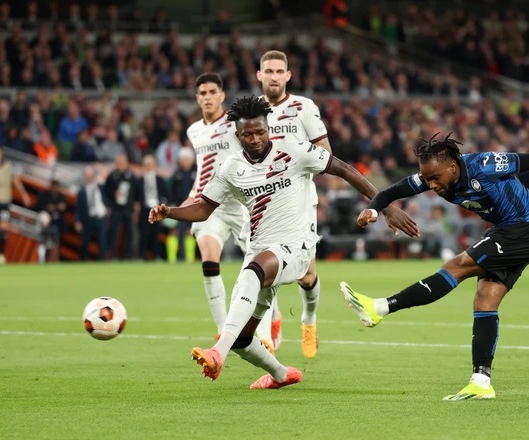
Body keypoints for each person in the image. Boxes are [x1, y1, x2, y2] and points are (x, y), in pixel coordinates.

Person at [148, 96, 418, 388]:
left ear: (268, 127)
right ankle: (280, 374)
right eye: (247, 134)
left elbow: (345, 169)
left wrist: (385, 205)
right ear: (237, 135)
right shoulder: (230, 169)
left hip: (297, 247)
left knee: (253, 272)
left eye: (260, 131)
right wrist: (171, 212)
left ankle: (217, 352)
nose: (255, 138)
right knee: (242, 337)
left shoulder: (293, 149)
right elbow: (203, 208)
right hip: (261, 250)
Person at [340, 133, 529, 400]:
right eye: (427, 179)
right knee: (485, 298)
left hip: (525, 228)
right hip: (508, 230)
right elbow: (392, 191)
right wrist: (374, 210)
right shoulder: (434, 176)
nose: (431, 185)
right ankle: (481, 382)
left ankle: (379, 308)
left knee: (457, 265)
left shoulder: (485, 165)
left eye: (435, 178)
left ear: (453, 167)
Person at [257, 49, 331, 358]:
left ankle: (309, 319)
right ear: (259, 75)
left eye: (279, 71)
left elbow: (325, 152)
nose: (274, 76)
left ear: (288, 76)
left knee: (307, 275)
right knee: (262, 268)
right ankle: (270, 326)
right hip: (262, 204)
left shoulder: (303, 107)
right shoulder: (251, 111)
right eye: (268, 71)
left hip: (300, 203)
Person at [181, 72, 249, 339]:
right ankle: (223, 331)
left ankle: (273, 317)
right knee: (209, 261)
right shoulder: (194, 130)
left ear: (222, 95)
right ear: (197, 98)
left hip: (242, 203)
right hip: (210, 205)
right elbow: (203, 169)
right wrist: (190, 197)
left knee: (260, 267)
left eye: (212, 92)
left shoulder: (236, 124)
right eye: (202, 93)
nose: (207, 97)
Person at [75, 165, 108, 261]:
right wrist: (77, 221)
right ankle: (83, 260)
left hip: (100, 218)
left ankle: (100, 261)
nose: (88, 177)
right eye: (86, 175)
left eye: (90, 175)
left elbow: (108, 198)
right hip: (87, 219)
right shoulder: (81, 192)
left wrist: (107, 208)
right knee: (85, 242)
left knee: (102, 242)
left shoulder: (101, 188)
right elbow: (78, 208)